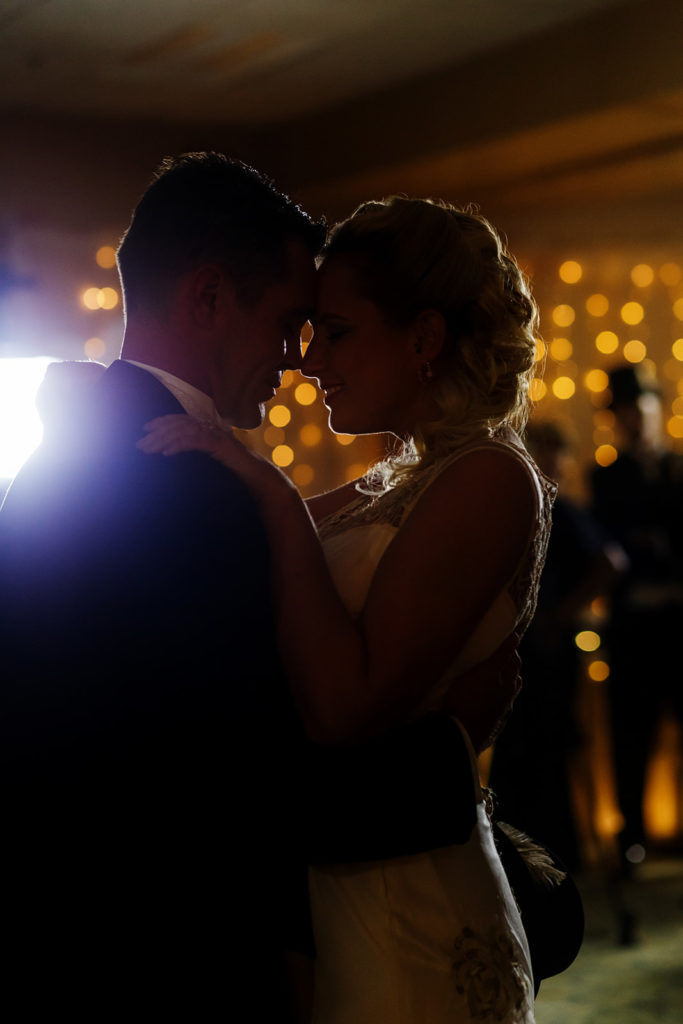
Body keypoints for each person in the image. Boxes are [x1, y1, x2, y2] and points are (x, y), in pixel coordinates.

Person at [0, 154, 521, 1019]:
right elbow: (241, 782)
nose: (298, 359)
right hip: (177, 951)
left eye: (323, 330)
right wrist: (449, 757)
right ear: (208, 298)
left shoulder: (75, 449)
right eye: (290, 323)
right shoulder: (198, 488)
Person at [138, 195, 559, 1022]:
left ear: (423, 339)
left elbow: (341, 708)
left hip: (404, 892)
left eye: (333, 332)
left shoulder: (489, 478)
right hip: (325, 880)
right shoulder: (388, 482)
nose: (307, 361)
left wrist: (266, 486)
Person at [489, 419, 626, 873]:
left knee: (543, 750)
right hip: (523, 647)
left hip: (544, 649)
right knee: (522, 752)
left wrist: (558, 617)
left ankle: (550, 857)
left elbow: (609, 562)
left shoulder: (558, 510)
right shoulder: (521, 508)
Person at [589, 364, 683, 879]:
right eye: (626, 413)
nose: (634, 421)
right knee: (630, 737)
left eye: (640, 411)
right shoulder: (607, 477)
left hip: (675, 624)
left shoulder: (678, 470)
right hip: (633, 631)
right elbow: (616, 544)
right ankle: (632, 842)